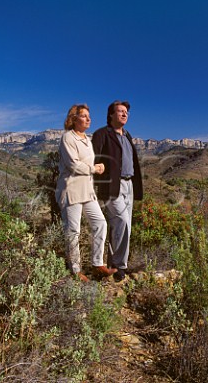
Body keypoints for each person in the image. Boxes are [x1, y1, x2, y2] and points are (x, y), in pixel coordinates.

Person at [55, 104, 118, 282]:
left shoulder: (87, 140)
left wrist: (96, 168)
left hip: (87, 191)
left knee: (100, 223)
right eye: (84, 116)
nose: (88, 119)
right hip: (71, 190)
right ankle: (75, 271)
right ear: (74, 119)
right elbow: (73, 164)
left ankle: (97, 263)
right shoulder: (68, 137)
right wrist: (94, 168)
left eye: (89, 116)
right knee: (73, 230)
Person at [92, 100, 143, 281]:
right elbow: (93, 159)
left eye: (126, 112)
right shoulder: (102, 134)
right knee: (122, 222)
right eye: (120, 111)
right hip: (111, 185)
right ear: (111, 115)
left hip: (128, 185)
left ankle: (113, 264)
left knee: (122, 226)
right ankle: (119, 266)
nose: (124, 114)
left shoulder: (128, 136)